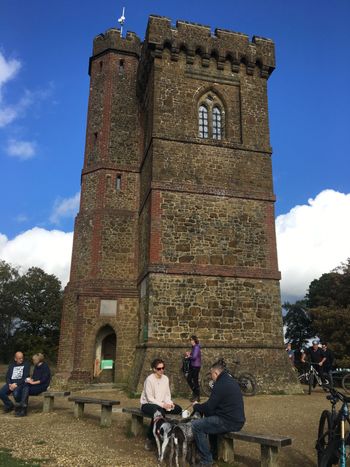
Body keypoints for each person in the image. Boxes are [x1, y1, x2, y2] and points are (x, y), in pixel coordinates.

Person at [192, 359, 245, 466]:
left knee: (196, 426)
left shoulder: (220, 384)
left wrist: (196, 406)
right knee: (209, 417)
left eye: (212, 375)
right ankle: (214, 453)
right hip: (237, 420)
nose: (211, 377)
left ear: (216, 373)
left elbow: (209, 407)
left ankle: (206, 460)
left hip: (229, 422)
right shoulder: (229, 380)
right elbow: (211, 408)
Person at [140, 358, 182, 450]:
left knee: (178, 409)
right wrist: (163, 405)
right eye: (159, 369)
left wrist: (170, 404)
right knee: (158, 412)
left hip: (162, 404)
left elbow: (167, 395)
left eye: (163, 368)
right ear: (154, 369)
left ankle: (171, 433)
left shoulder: (165, 379)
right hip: (147, 404)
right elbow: (150, 398)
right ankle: (150, 438)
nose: (162, 370)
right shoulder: (149, 380)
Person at [15, 353, 51, 417]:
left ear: (39, 360)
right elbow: (34, 377)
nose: (33, 361)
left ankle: (22, 408)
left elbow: (43, 380)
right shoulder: (36, 366)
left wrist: (33, 383)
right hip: (35, 384)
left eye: (34, 360)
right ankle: (23, 407)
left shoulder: (45, 367)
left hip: (42, 385)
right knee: (24, 386)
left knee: (25, 389)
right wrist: (30, 380)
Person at [185, 335, 202, 401]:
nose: (191, 341)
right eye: (190, 340)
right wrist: (189, 354)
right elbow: (193, 355)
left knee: (195, 381)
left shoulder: (197, 347)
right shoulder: (194, 347)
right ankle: (195, 393)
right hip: (193, 366)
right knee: (189, 379)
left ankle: (197, 396)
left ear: (195, 340)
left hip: (196, 366)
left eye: (192, 340)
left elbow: (194, 357)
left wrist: (189, 356)